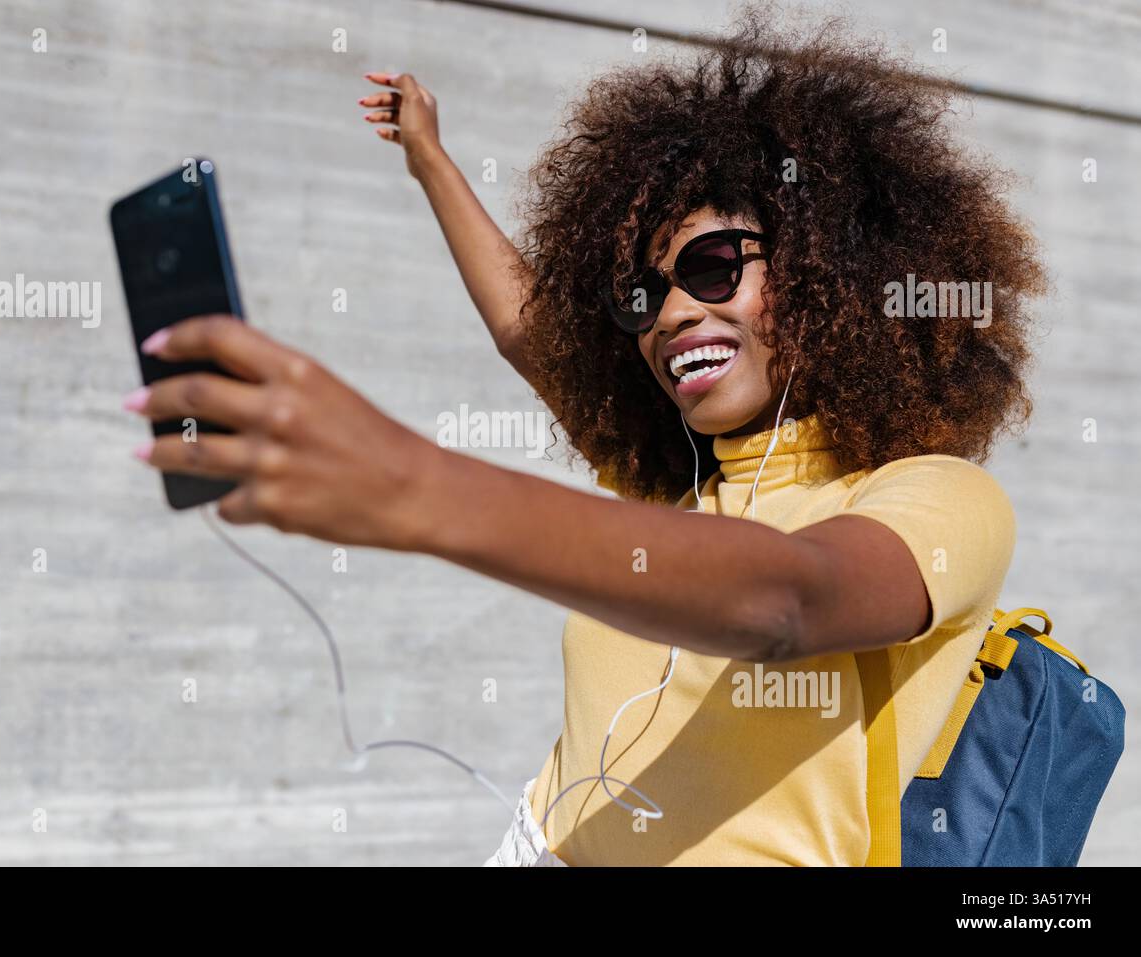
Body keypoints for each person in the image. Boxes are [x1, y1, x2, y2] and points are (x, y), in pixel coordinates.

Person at [123, 13, 1046, 865]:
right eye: (642, 298)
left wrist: (415, 488)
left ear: (831, 275)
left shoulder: (940, 499)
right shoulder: (671, 494)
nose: (674, 314)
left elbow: (787, 600)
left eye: (716, 265)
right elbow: (530, 330)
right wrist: (431, 159)